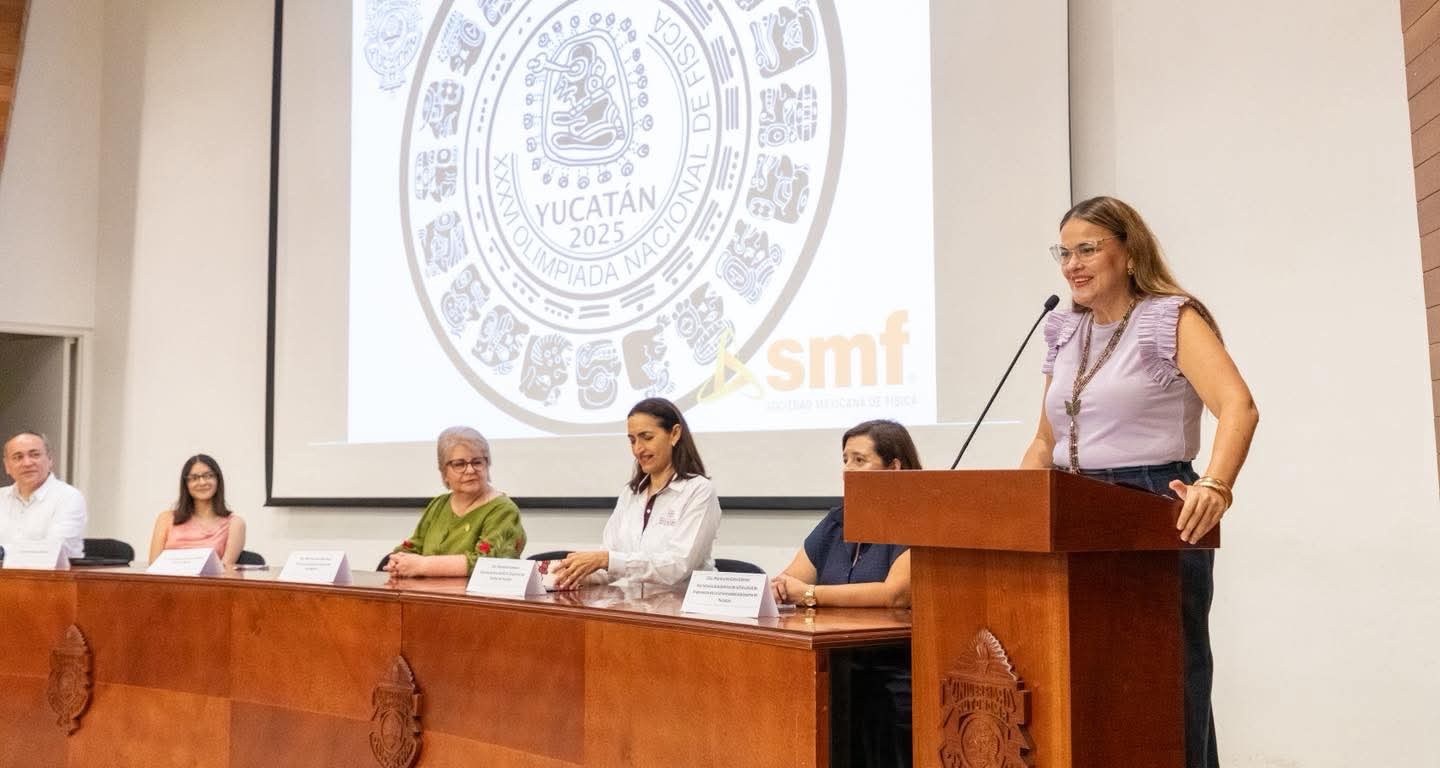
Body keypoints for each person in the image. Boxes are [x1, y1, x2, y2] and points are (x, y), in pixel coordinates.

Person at [1021, 196, 1259, 768]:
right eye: (1064, 253)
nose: (1072, 265)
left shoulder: (1169, 317)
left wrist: (1215, 485)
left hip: (1151, 506)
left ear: (1129, 253)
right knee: (1090, 681)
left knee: (1163, 681)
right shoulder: (1064, 329)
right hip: (1074, 512)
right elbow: (1046, 440)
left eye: (1087, 249)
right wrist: (1017, 510)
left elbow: (1238, 406)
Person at [771, 419, 919, 768]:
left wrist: (810, 594)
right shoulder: (837, 521)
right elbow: (791, 578)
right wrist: (782, 588)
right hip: (838, 664)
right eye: (845, 460)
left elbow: (895, 594)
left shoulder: (917, 518)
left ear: (894, 467)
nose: (847, 470)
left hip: (892, 670)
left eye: (860, 460)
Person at [550, 398, 721, 588]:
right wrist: (573, 574)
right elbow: (609, 567)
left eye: (647, 437)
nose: (638, 449)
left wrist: (607, 560)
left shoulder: (698, 490)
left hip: (682, 605)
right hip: (633, 604)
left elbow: (678, 566)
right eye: (632, 440)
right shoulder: (630, 494)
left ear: (674, 434)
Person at [386, 426, 525, 577]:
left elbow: (489, 565)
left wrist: (423, 565)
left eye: (477, 462)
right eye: (459, 464)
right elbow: (415, 545)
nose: (470, 470)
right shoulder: (439, 504)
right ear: (444, 472)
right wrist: (398, 560)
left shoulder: (504, 510)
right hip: (426, 591)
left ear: (487, 465)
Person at [148, 454, 247, 567]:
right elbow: (153, 566)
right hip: (167, 578)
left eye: (208, 476)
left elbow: (224, 570)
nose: (202, 482)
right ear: (186, 484)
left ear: (218, 480)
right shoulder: (166, 518)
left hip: (211, 579)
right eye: (194, 478)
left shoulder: (235, 524)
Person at [0, 431, 87, 560]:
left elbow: (52, 549)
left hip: (52, 573)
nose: (27, 463)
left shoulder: (69, 497)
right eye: (18, 457)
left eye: (34, 455)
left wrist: (2, 551)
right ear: (7, 466)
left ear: (50, 460)